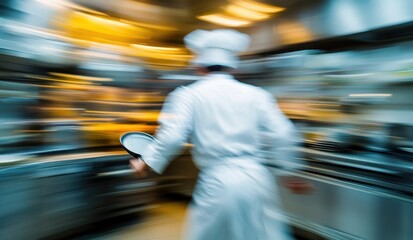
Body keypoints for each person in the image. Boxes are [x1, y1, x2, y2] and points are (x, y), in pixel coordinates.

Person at [130, 29, 307, 240]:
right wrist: (290, 172)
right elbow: (284, 132)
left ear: (198, 66)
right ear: (233, 66)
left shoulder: (187, 95)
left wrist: (146, 162)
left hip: (220, 183)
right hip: (258, 179)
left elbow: (173, 135)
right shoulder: (257, 94)